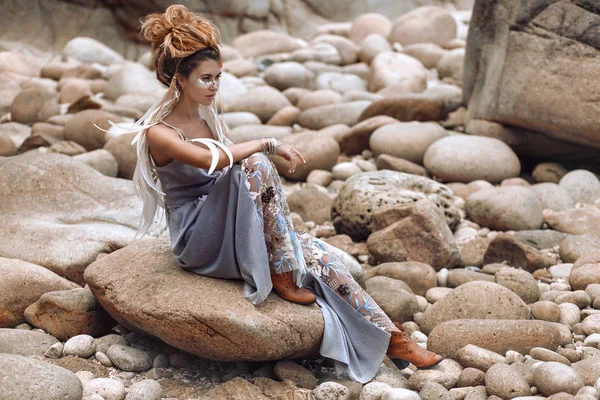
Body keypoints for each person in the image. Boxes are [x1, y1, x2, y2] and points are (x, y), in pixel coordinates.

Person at [127, 4, 443, 383]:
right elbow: (209, 163)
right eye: (206, 79)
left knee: (321, 255)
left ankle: (394, 339)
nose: (214, 86)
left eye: (218, 78)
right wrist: (268, 143)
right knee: (258, 163)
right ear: (180, 78)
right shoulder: (158, 131)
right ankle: (281, 271)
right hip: (198, 238)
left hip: (227, 221)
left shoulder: (205, 118)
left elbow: (229, 172)